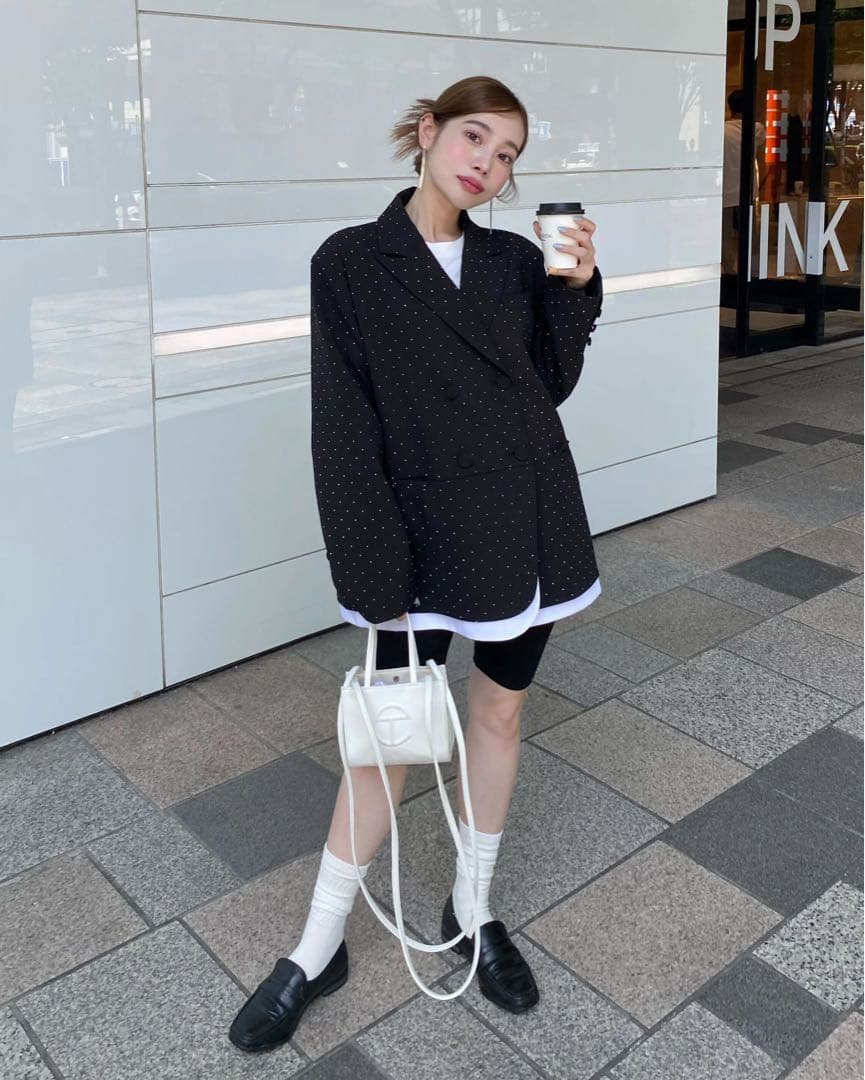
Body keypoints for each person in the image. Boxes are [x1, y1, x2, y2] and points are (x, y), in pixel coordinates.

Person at [229, 75, 603, 1053]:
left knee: (498, 712)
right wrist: (372, 577)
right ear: (428, 131)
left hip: (526, 521)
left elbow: (547, 382)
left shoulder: (514, 260)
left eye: (508, 154)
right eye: (475, 136)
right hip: (419, 538)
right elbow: (343, 426)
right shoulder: (352, 262)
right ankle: (317, 947)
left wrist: (574, 290)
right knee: (386, 742)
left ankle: (471, 911)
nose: (489, 163)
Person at [722, 88, 766, 273]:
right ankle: (749, 271)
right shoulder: (756, 129)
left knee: (724, 236)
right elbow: (761, 142)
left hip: (724, 191)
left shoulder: (721, 130)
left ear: (730, 107)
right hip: (746, 191)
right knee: (748, 235)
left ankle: (729, 272)